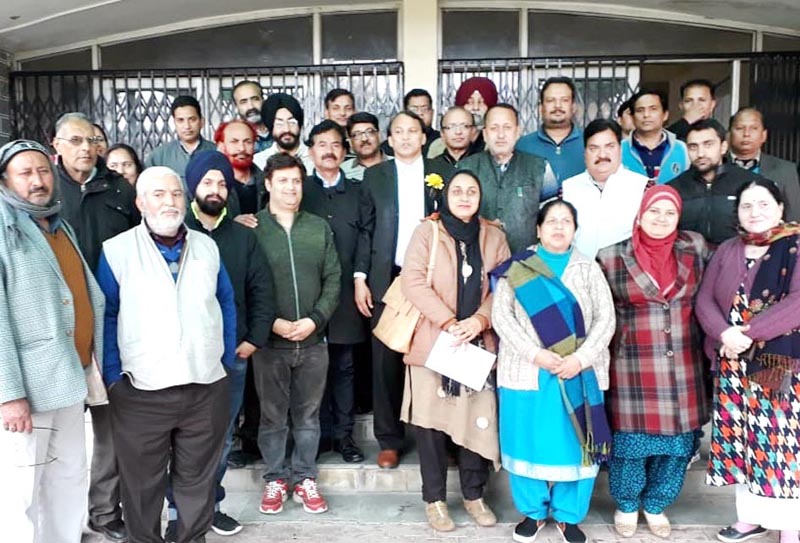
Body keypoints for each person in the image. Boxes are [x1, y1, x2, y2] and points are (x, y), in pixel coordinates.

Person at [97, 166, 236, 543]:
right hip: (141, 390)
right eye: (158, 194)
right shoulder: (117, 250)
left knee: (197, 485)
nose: (169, 202)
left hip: (204, 385)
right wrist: (113, 376)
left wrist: (223, 361)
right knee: (142, 488)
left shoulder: (207, 246)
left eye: (175, 193)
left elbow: (225, 302)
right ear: (141, 202)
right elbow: (105, 314)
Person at [161, 151, 276, 540]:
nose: (215, 190)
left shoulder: (243, 237)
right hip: (182, 356)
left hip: (231, 357)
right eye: (208, 182)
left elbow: (262, 291)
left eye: (222, 183)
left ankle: (210, 504)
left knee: (222, 436)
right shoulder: (172, 232)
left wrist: (252, 340)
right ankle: (180, 509)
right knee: (181, 436)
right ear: (193, 186)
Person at [491, 199, 616, 543]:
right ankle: (532, 512)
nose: (559, 227)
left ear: (575, 229)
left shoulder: (588, 269)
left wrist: (581, 358)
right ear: (538, 228)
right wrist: (535, 354)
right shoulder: (518, 268)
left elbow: (607, 320)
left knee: (576, 445)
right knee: (527, 441)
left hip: (578, 373)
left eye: (566, 222)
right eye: (552, 221)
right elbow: (501, 317)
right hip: (527, 372)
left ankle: (568, 516)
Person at [0, 139, 105, 543]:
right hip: (28, 391)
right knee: (20, 493)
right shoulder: (6, 229)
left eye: (43, 171)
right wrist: (9, 395)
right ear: (6, 180)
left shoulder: (57, 224)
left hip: (68, 380)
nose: (37, 181)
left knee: (68, 481)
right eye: (25, 173)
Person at [596, 185, 710, 539]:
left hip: (683, 365)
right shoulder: (611, 256)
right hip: (633, 367)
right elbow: (598, 312)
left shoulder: (696, 250)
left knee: (677, 447)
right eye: (653, 212)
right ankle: (628, 504)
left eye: (669, 213)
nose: (660, 220)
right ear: (640, 214)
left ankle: (657, 503)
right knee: (630, 446)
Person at [400, 170, 511, 532]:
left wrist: (479, 321)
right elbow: (412, 281)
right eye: (457, 190)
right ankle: (434, 500)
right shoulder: (427, 232)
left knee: (477, 422)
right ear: (446, 195)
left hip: (477, 343)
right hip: (435, 341)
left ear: (481, 197)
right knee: (430, 426)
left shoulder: (494, 237)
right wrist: (449, 323)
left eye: (472, 191)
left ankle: (474, 495)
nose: (464, 196)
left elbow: (505, 286)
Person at [695, 178, 800, 543]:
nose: (755, 212)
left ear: (780, 207)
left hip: (775, 360)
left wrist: (746, 334)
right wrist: (724, 334)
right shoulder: (728, 249)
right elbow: (704, 300)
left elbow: (797, 304)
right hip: (731, 361)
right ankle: (751, 518)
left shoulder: (796, 246)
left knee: (777, 443)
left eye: (764, 204)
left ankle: (790, 526)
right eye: (747, 205)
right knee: (739, 440)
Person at [52, 111, 138, 543]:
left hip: (109, 330)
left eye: (91, 140)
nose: (85, 148)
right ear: (57, 145)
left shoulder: (119, 189)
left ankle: (105, 516)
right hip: (58, 333)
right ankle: (63, 523)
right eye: (75, 140)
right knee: (62, 436)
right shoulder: (44, 192)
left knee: (109, 431)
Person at [355, 110, 453, 469]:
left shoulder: (442, 174)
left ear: (424, 137)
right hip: (387, 277)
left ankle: (443, 436)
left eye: (414, 131)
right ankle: (389, 440)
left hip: (432, 280)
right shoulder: (375, 175)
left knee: (435, 356)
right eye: (399, 132)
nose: (407, 137)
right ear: (390, 139)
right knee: (384, 361)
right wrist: (360, 277)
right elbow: (365, 229)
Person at [251, 153, 341, 516]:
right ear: (269, 184)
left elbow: (333, 278)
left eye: (296, 181)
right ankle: (276, 477)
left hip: (313, 340)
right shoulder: (252, 228)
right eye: (283, 181)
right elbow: (246, 284)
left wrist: (315, 319)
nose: (290, 188)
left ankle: (304, 477)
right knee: (272, 415)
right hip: (270, 342)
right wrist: (271, 321)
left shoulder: (317, 227)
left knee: (308, 415)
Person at [302, 120, 367, 464]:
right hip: (306, 294)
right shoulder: (299, 189)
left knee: (344, 366)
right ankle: (315, 438)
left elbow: (367, 238)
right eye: (321, 144)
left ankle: (344, 437)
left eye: (335, 144)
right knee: (309, 368)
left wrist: (360, 277)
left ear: (345, 151)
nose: (328, 150)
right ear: (310, 150)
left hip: (345, 293)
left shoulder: (358, 192)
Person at [459, 104, 556, 252]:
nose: (501, 135)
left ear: (517, 132)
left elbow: (552, 217)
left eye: (507, 127)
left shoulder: (540, 167)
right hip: (477, 257)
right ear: (484, 134)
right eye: (494, 128)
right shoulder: (465, 168)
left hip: (527, 261)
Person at [669, 119, 772, 246]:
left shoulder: (750, 184)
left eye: (708, 144)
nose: (700, 153)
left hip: (734, 260)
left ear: (723, 147)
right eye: (693, 147)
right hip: (689, 260)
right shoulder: (674, 188)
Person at [562, 119, 649, 258]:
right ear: (584, 153)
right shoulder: (567, 189)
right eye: (594, 148)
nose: (602, 155)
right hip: (579, 274)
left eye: (609, 146)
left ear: (620, 149)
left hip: (626, 275)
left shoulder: (643, 187)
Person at [729, 107, 800, 220]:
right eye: (739, 128)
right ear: (729, 135)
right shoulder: (717, 167)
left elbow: (795, 217)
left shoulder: (786, 170)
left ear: (764, 135)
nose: (746, 134)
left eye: (754, 128)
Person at [517, 76, 585, 185]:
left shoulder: (589, 143)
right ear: (541, 108)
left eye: (564, 100)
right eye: (550, 100)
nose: (557, 106)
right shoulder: (523, 145)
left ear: (573, 107)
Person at [621, 89, 690, 184]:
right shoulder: (619, 150)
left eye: (653, 109)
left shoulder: (682, 149)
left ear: (665, 115)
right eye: (640, 110)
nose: (646, 115)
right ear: (633, 117)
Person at [145, 95, 216, 180]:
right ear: (174, 123)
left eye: (192, 119)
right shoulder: (159, 156)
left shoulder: (217, 152)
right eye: (180, 120)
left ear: (202, 122)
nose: (187, 126)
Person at [253, 93, 313, 174]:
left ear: (300, 125)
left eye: (292, 122)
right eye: (279, 124)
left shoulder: (315, 158)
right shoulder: (259, 162)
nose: (286, 129)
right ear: (271, 127)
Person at [215, 120, 264, 215]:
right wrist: (232, 224)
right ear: (221, 146)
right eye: (234, 142)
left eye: (248, 142)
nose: (242, 148)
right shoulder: (212, 186)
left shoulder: (267, 182)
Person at [341, 112, 390, 181]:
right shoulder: (342, 171)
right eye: (357, 134)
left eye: (369, 132)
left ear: (379, 135)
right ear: (350, 142)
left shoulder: (398, 164)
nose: (364, 139)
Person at [232, 80, 272, 152]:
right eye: (243, 102)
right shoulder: (233, 139)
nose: (251, 106)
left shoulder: (279, 130)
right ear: (236, 106)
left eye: (255, 99)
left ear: (263, 100)